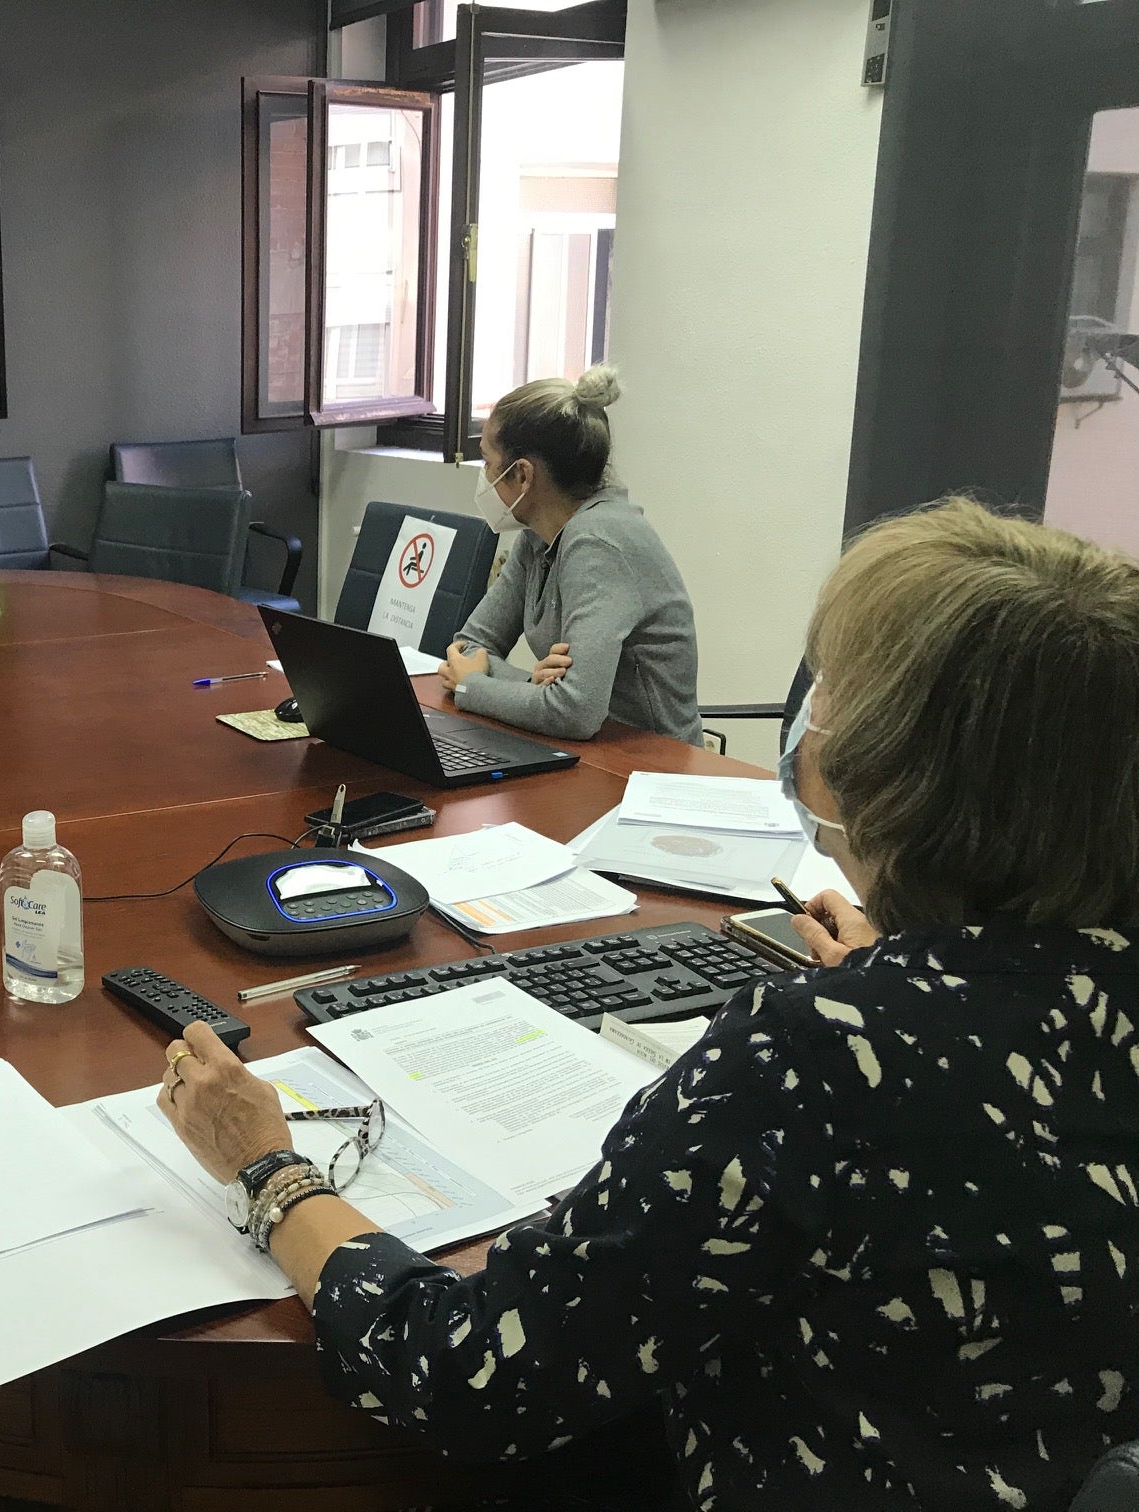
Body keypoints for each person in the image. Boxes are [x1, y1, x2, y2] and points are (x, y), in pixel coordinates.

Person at [158, 498, 1139, 1510]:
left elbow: (476, 1379)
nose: (816, 719)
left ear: (894, 767)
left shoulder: (816, 1058)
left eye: (834, 693)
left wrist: (268, 1169)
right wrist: (912, 968)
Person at [437, 366, 702, 745]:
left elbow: (575, 712)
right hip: (590, 751)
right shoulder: (537, 534)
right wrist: (531, 683)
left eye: (488, 462)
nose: (484, 475)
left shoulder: (599, 544)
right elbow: (468, 647)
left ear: (523, 476)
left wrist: (473, 687)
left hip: (655, 770)